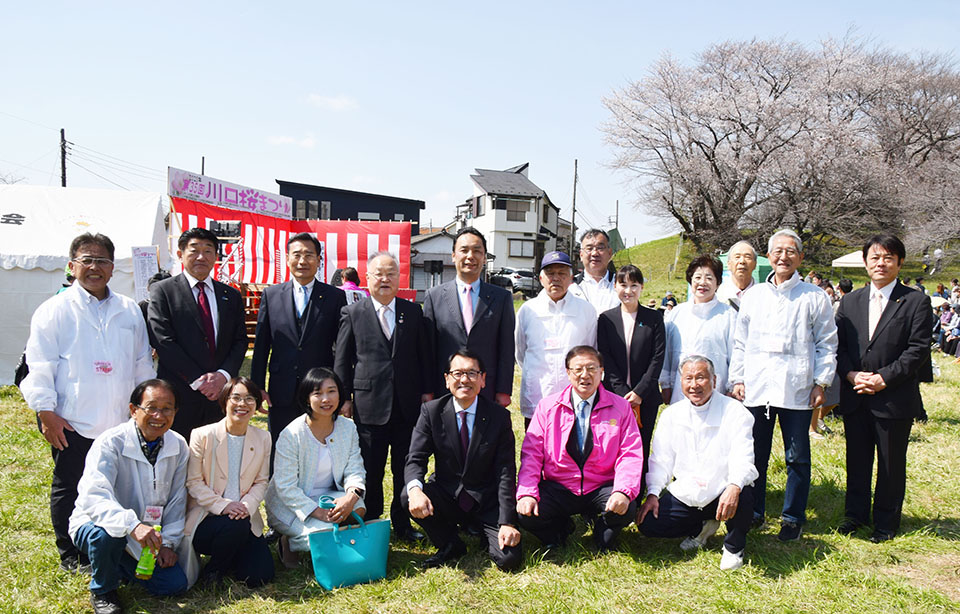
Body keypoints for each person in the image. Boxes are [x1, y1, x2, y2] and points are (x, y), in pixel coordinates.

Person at [20, 232, 155, 573]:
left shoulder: (128, 310)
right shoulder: (54, 310)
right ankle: (70, 553)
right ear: (72, 266)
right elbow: (39, 365)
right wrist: (46, 411)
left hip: (121, 422)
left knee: (118, 485)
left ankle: (115, 544)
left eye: (103, 261)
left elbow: (142, 363)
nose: (95, 267)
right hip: (73, 420)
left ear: (113, 269)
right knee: (70, 485)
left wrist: (143, 411)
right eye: (87, 260)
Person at [729, 229, 837, 541]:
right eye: (777, 251)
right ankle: (755, 512)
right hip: (758, 387)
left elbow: (827, 343)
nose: (783, 257)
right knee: (755, 454)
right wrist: (738, 378)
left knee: (797, 456)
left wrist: (821, 381)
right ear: (768, 257)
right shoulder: (754, 296)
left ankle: (792, 517)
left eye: (790, 251)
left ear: (800, 258)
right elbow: (741, 342)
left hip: (797, 387)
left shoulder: (814, 297)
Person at [835, 235, 932, 542]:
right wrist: (850, 375)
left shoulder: (915, 300)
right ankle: (855, 515)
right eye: (875, 258)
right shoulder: (850, 301)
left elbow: (917, 350)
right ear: (865, 263)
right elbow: (840, 347)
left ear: (899, 262)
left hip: (893, 396)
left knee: (891, 464)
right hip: (856, 395)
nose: (881, 263)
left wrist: (882, 378)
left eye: (888, 257)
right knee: (857, 459)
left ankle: (886, 522)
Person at [334, 251, 432, 541]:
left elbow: (423, 356)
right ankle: (373, 522)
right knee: (371, 469)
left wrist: (427, 393)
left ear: (400, 278)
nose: (385, 279)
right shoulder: (353, 312)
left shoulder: (413, 311)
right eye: (379, 273)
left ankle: (403, 523)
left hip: (407, 403)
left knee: (405, 467)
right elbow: (342, 359)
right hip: (368, 404)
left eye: (391, 273)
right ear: (368, 278)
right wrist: (344, 397)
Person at [69, 379, 190, 614]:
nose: (158, 415)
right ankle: (103, 590)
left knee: (174, 584)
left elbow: (177, 499)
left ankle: (115, 564)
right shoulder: (111, 442)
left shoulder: (178, 445)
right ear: (134, 410)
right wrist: (131, 525)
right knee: (109, 535)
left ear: (175, 412)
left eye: (167, 409)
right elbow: (94, 495)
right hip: (97, 524)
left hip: (147, 536)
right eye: (151, 407)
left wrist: (168, 543)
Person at [403, 350, 522, 570]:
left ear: (483, 379)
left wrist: (507, 521)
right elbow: (416, 458)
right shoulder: (431, 411)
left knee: (509, 560)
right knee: (407, 496)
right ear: (447, 379)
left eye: (472, 373)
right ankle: (450, 544)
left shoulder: (498, 417)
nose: (464, 379)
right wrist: (415, 491)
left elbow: (505, 470)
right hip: (448, 494)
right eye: (457, 373)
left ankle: (485, 532)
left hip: (486, 500)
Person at [516, 346, 643, 552]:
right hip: (560, 485)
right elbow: (532, 454)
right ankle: (560, 529)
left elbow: (630, 453)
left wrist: (622, 491)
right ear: (568, 373)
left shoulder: (620, 407)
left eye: (592, 368)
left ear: (601, 371)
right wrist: (527, 493)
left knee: (626, 508)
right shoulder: (547, 407)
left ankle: (601, 528)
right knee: (525, 513)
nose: (585, 375)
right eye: (578, 369)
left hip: (600, 485)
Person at [638, 355, 758, 571]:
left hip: (722, 489)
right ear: (681, 381)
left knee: (744, 493)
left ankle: (733, 546)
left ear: (714, 379)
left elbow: (744, 456)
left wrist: (734, 486)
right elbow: (661, 459)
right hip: (689, 492)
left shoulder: (735, 411)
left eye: (701, 378)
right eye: (688, 378)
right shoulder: (672, 415)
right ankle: (701, 527)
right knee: (648, 523)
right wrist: (653, 493)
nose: (694, 385)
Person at [251, 232, 347, 465]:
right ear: (287, 258)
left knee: (319, 449)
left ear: (319, 260)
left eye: (309, 255)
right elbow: (262, 344)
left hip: (320, 390)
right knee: (281, 449)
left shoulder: (335, 297)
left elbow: (341, 348)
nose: (302, 261)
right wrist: (257, 388)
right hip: (281, 389)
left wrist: (341, 391)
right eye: (297, 255)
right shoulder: (271, 295)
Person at [148, 228, 248, 440]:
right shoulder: (163, 291)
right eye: (194, 250)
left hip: (220, 394)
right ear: (180, 254)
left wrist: (222, 376)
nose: (201, 257)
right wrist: (199, 380)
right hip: (179, 392)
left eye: (208, 251)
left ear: (216, 257)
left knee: (217, 456)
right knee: (179, 456)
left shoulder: (230, 295)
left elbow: (240, 341)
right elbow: (163, 340)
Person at [264, 368, 367, 567]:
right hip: (292, 504)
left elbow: (355, 468)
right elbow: (285, 487)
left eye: (331, 391)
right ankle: (288, 542)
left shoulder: (348, 428)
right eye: (317, 393)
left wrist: (350, 496)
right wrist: (317, 511)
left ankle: (327, 538)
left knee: (359, 507)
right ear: (306, 398)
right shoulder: (292, 434)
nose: (326, 399)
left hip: (329, 496)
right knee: (323, 535)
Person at [184, 377, 274, 587]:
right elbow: (194, 482)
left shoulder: (263, 438)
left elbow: (262, 482)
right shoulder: (202, 435)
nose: (242, 404)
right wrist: (224, 506)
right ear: (225, 401)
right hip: (207, 517)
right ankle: (215, 569)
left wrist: (246, 506)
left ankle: (231, 555)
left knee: (260, 576)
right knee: (235, 526)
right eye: (236, 398)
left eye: (249, 399)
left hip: (244, 516)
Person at [423, 227, 515, 407]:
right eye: (464, 250)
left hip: (486, 387)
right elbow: (428, 349)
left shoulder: (501, 298)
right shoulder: (434, 297)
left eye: (477, 251)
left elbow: (506, 348)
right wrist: (427, 388)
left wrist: (503, 390)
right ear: (453, 255)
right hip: (445, 388)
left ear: (484, 257)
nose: (470, 256)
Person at [596, 264, 665, 482]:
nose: (628, 290)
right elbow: (604, 356)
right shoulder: (606, 319)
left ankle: (638, 494)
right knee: (613, 444)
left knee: (641, 445)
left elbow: (657, 358)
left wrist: (640, 392)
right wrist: (623, 393)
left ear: (642, 287)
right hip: (614, 396)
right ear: (615, 287)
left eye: (634, 285)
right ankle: (613, 490)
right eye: (623, 285)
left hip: (646, 397)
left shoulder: (654, 318)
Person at [515, 251, 597, 427]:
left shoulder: (586, 310)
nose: (556, 278)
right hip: (538, 395)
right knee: (536, 452)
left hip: (575, 398)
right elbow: (520, 353)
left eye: (561, 273)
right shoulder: (528, 310)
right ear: (541, 278)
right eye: (550, 273)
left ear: (571, 278)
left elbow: (591, 351)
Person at [660, 255, 736, 405]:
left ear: (718, 283)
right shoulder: (676, 313)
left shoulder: (728, 315)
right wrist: (666, 384)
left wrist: (732, 385)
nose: (702, 283)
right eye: (698, 277)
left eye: (709, 278)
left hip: (716, 389)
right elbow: (667, 353)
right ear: (690, 280)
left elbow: (735, 354)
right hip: (681, 389)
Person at [569, 229, 620, 313]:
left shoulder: (621, 284)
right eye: (589, 248)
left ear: (610, 253)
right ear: (581, 255)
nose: (594, 253)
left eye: (600, 248)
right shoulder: (570, 286)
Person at [715, 241, 758, 310]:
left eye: (747, 257)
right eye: (737, 257)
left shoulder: (764, 295)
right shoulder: (717, 296)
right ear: (729, 264)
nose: (742, 261)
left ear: (755, 264)